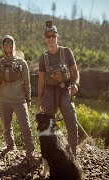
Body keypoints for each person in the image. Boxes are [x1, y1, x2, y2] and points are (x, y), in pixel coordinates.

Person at [37, 20, 80, 157]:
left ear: (57, 37)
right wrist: (40, 99)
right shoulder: (43, 58)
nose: (51, 39)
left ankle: (73, 153)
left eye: (53, 36)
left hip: (64, 90)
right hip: (49, 91)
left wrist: (76, 84)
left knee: (72, 124)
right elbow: (41, 79)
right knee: (48, 126)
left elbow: (75, 72)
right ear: (45, 39)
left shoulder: (66, 52)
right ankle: (50, 154)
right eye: (48, 36)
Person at [0, 35, 35, 159]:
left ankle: (30, 151)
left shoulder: (22, 63)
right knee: (6, 126)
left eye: (10, 43)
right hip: (4, 100)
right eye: (5, 43)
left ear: (14, 45)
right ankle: (10, 147)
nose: (8, 45)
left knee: (26, 126)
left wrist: (28, 99)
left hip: (19, 100)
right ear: (2, 46)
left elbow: (27, 83)